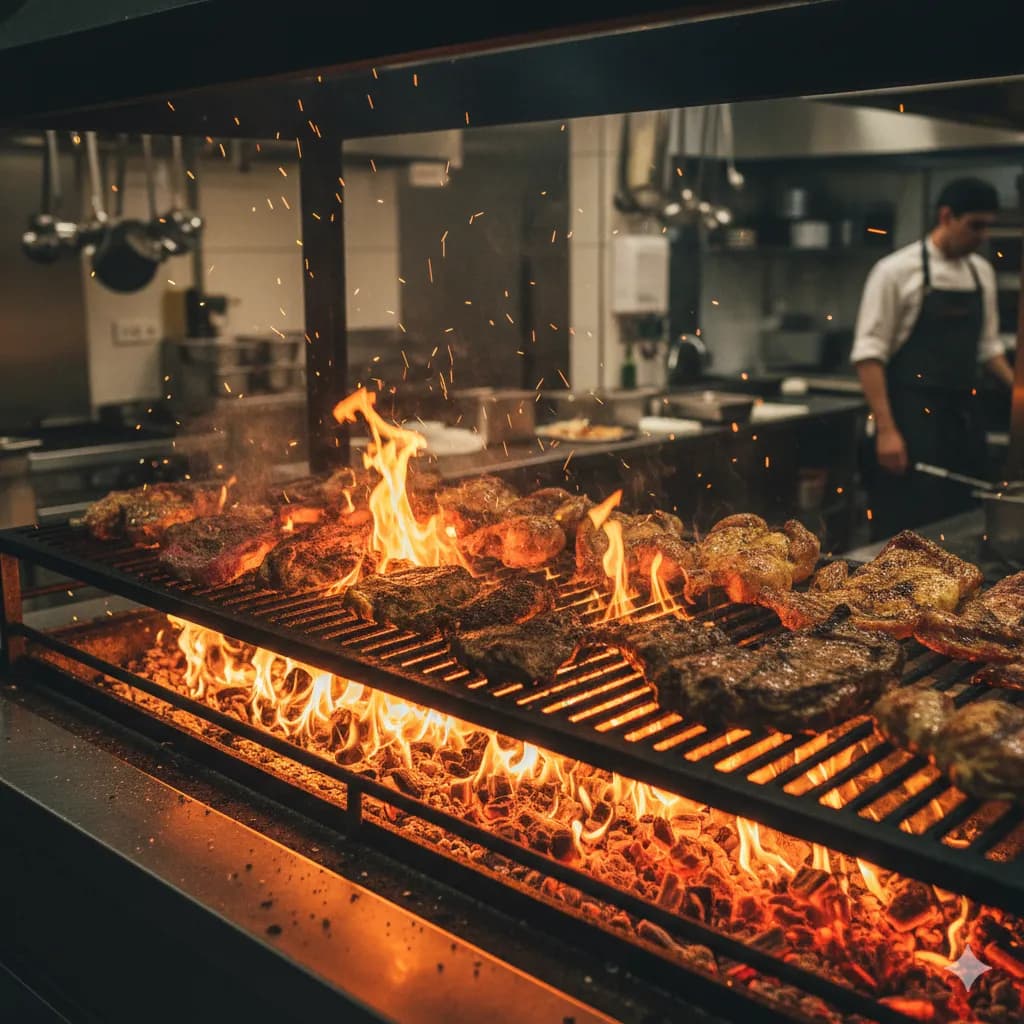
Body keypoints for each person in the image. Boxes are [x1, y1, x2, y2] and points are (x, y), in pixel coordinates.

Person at [851, 177, 1014, 540]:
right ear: (946, 216)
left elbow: (989, 349)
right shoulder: (895, 271)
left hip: (962, 420)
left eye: (988, 226)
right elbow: (868, 356)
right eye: (975, 225)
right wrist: (887, 431)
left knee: (964, 522)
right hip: (910, 421)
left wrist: (1019, 392)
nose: (983, 236)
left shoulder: (981, 272)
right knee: (906, 526)